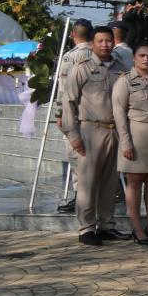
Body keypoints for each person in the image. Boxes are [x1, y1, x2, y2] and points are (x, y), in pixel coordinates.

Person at [60, 26, 127, 246]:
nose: (105, 45)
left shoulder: (121, 68)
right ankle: (86, 228)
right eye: (100, 41)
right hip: (91, 129)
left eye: (108, 41)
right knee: (87, 181)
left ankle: (107, 225)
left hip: (115, 130)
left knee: (110, 182)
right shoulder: (82, 68)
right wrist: (72, 133)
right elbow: (69, 101)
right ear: (91, 44)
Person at [113, 42, 148, 245]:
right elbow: (119, 113)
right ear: (134, 58)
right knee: (135, 182)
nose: (146, 59)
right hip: (135, 136)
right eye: (142, 55)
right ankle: (137, 228)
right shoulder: (125, 81)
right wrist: (126, 142)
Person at [54, 19, 95, 214]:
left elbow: (64, 88)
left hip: (75, 113)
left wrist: (59, 112)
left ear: (73, 34)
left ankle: (81, 196)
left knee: (75, 155)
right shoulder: (98, 54)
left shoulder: (71, 56)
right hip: (95, 113)